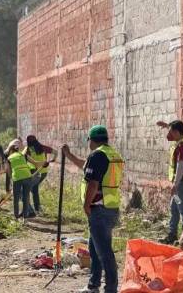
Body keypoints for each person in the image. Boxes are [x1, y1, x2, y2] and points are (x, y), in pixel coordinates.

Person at [62, 125, 124, 293]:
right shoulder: (112, 154)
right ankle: (93, 285)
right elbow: (86, 166)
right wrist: (68, 155)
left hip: (98, 209)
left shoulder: (97, 155)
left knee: (104, 253)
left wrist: (86, 205)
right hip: (111, 207)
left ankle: (111, 288)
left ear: (91, 140)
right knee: (94, 249)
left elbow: (93, 183)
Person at [156, 120, 183, 244]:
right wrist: (167, 125)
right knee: (174, 208)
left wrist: (175, 184)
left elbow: (181, 165)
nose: (169, 134)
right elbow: (174, 132)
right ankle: (172, 235)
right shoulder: (182, 140)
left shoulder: (182, 146)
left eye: (170, 131)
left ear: (176, 132)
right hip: (181, 183)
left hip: (182, 183)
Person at [23, 135, 57, 214]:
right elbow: (56, 152)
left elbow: (22, 156)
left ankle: (36, 209)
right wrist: (53, 160)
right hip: (44, 172)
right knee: (34, 189)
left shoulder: (27, 149)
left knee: (32, 189)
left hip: (35, 172)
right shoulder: (43, 147)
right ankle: (37, 208)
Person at [6, 139, 37, 219]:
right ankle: (25, 218)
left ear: (10, 151)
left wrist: (12, 180)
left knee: (16, 199)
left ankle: (16, 218)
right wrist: (45, 163)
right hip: (28, 176)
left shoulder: (9, 158)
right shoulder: (23, 155)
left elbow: (9, 172)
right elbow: (36, 163)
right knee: (26, 198)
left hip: (17, 178)